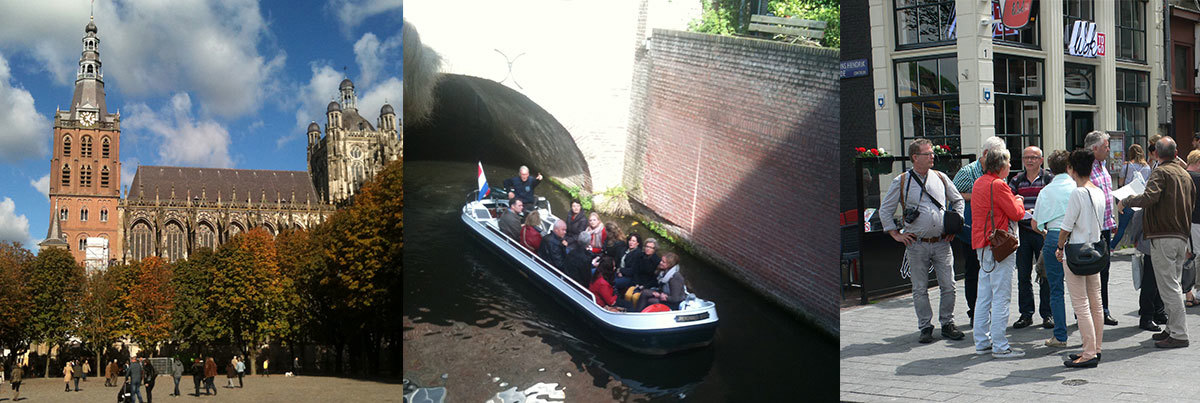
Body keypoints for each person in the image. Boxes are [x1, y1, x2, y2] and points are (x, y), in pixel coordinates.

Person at [880, 139, 966, 343]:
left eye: (932, 153)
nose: (932, 156)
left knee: (949, 285)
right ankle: (925, 327)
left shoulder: (941, 177)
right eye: (928, 154)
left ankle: (947, 323)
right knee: (920, 288)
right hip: (916, 244)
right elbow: (885, 210)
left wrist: (956, 223)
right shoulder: (901, 181)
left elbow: (958, 200)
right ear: (915, 157)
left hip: (942, 242)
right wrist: (896, 234)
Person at [1119, 136, 1196, 348]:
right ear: (1176, 151)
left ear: (1156, 154)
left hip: (1163, 235)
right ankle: (1171, 329)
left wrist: (1127, 200)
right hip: (1180, 235)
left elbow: (1148, 198)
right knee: (1173, 283)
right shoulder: (1185, 174)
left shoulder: (1161, 172)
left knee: (1168, 287)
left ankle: (1179, 334)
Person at [1054, 149, 1108, 368]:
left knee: (1081, 304)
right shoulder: (1098, 191)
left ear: (1071, 169)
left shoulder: (1078, 193)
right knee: (1096, 302)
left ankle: (1088, 352)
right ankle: (1096, 348)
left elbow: (1066, 226)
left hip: (1076, 251)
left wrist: (1059, 247)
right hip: (1094, 250)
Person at [971, 146, 1025, 358]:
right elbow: (1017, 213)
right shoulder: (999, 185)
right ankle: (1001, 346)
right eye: (1008, 163)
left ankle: (982, 341)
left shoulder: (979, 182)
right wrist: (1019, 200)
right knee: (1001, 295)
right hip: (999, 245)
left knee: (984, 294)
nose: (1011, 166)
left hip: (982, 244)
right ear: (1001, 165)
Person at [953, 136, 1008, 323]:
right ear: (986, 154)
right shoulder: (967, 173)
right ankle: (974, 311)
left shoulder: (998, 173)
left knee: (989, 274)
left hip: (993, 233)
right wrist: (979, 195)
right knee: (972, 271)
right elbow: (953, 195)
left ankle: (986, 312)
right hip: (971, 231)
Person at [1032, 150, 1075, 348]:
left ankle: (1060, 336)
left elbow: (1036, 224)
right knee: (1082, 290)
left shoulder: (1046, 191)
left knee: (1056, 289)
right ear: (1069, 166)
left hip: (1053, 237)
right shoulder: (1077, 187)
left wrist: (1046, 233)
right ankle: (1088, 334)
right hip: (1076, 238)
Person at [1009, 145, 1054, 330]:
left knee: (1045, 274)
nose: (1029, 161)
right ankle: (1026, 314)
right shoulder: (1016, 179)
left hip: (1043, 232)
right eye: (1026, 157)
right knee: (1023, 275)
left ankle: (1047, 314)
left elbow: (1054, 201)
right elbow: (1009, 202)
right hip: (1024, 232)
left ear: (1041, 160)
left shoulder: (1049, 179)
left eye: (1034, 157)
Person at [1082, 131, 1119, 326]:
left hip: (1104, 228)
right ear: (1094, 148)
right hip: (1089, 229)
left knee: (1104, 271)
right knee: (1089, 271)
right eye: (1106, 147)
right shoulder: (1084, 168)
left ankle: (1103, 309)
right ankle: (1087, 311)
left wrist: (1111, 221)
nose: (1108, 150)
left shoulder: (1103, 165)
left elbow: (1106, 195)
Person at [1183, 150, 1200, 308]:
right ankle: (1192, 293)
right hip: (1196, 222)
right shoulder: (1196, 178)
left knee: (1189, 255)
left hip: (1184, 222)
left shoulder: (1181, 176)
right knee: (1194, 256)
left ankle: (1189, 294)